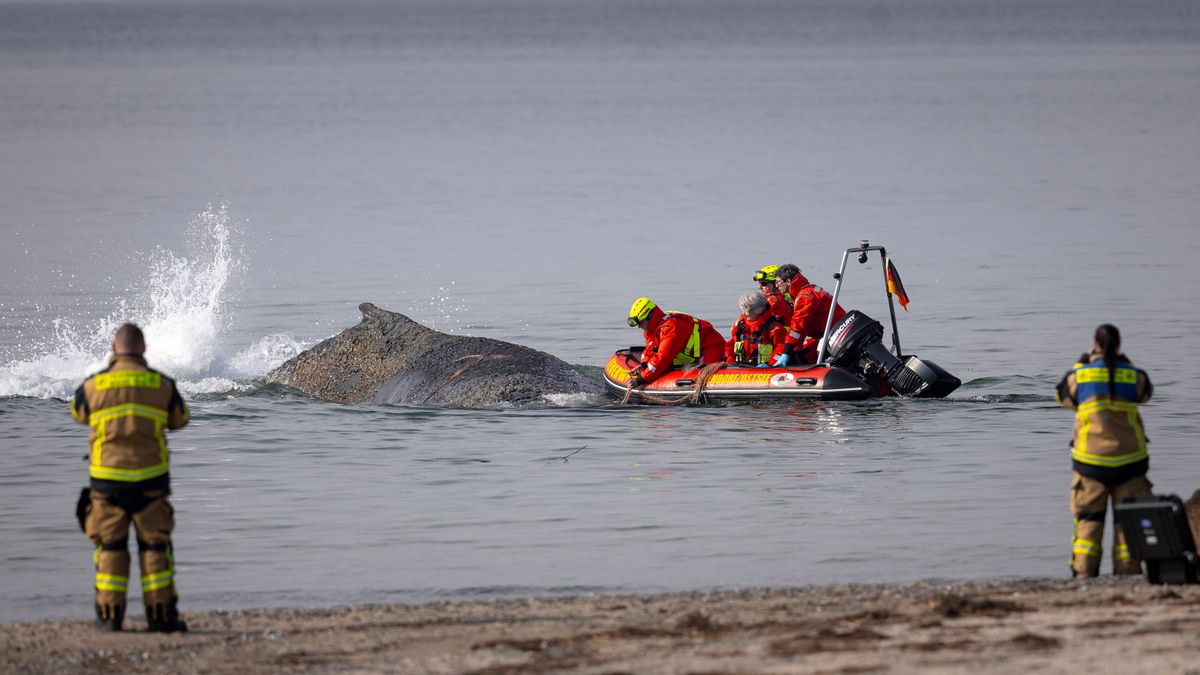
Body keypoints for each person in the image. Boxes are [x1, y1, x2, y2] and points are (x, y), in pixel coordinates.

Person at [71, 323, 190, 632]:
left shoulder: (94, 386)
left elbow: (77, 412)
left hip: (107, 484)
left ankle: (111, 617)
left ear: (113, 349)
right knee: (154, 549)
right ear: (144, 349)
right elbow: (181, 419)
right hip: (151, 483)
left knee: (110, 547)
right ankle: (161, 617)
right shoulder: (161, 384)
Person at [1055, 324, 1153, 578]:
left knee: (1088, 525)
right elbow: (1147, 393)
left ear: (1095, 345)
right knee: (1128, 527)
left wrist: (1082, 363)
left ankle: (1084, 577)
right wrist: (1125, 363)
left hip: (1090, 464)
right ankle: (1129, 576)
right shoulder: (1133, 376)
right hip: (1131, 464)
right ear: (1119, 346)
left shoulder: (1081, 376)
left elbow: (1062, 396)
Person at [627, 297, 725, 386]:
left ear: (650, 316)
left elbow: (662, 357)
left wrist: (640, 379)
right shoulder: (652, 328)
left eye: (641, 323)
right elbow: (650, 348)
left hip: (710, 347)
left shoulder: (670, 328)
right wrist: (644, 365)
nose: (639, 326)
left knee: (704, 375)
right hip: (694, 354)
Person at [772, 263, 846, 366]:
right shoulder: (809, 289)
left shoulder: (805, 296)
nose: (776, 286)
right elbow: (801, 328)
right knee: (799, 351)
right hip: (829, 333)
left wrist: (786, 353)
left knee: (799, 355)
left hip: (832, 334)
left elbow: (798, 325)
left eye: (778, 282)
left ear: (788, 281)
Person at [726, 293, 788, 367]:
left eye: (747, 310)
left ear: (758, 310)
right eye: (743, 310)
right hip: (740, 368)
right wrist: (729, 358)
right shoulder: (740, 326)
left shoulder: (774, 328)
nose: (744, 313)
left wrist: (771, 364)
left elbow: (781, 347)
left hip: (766, 369)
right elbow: (732, 343)